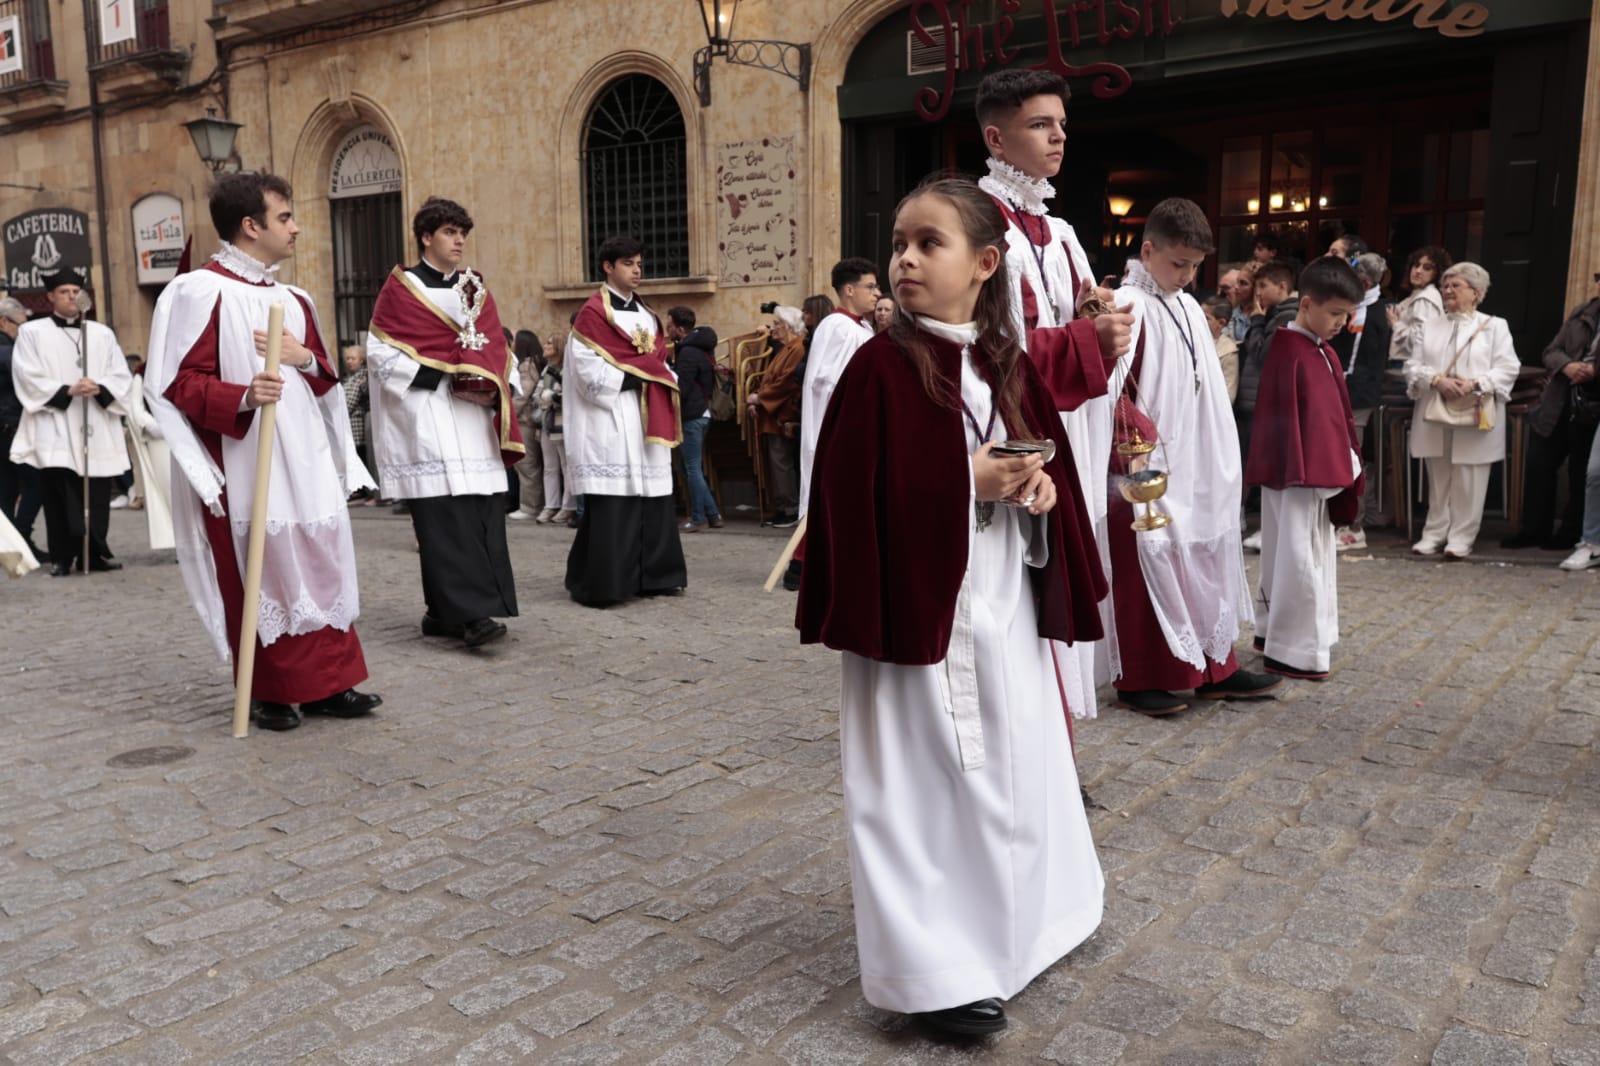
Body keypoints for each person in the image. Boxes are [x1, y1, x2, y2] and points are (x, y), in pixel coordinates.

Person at [799, 175, 1104, 1038]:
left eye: (927, 243)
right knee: (916, 784)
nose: (903, 259)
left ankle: (1029, 925)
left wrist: (1037, 491)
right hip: (914, 609)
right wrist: (962, 479)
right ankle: (933, 972)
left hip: (998, 597)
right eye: (898, 243)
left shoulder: (1003, 364)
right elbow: (847, 499)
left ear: (984, 263)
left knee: (1010, 764)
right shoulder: (879, 368)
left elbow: (1050, 479)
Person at [145, 171, 380, 732]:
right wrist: (244, 394)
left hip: (303, 455)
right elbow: (177, 383)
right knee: (262, 569)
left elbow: (324, 379)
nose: (296, 228)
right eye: (284, 217)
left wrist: (304, 359)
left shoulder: (294, 299)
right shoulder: (199, 292)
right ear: (250, 227)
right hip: (246, 457)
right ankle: (268, 689)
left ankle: (330, 682)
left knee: (318, 559)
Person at [974, 66, 1137, 724]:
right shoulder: (974, 222)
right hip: (1010, 430)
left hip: (1078, 430)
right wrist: (1086, 340)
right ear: (997, 138)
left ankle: (1056, 745)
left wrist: (1107, 324)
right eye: (1040, 125)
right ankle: (1017, 739)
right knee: (1015, 586)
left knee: (1061, 579)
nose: (1058, 137)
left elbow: (1077, 322)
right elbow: (983, 346)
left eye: (1062, 126)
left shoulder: (1062, 232)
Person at [1108, 199, 1282, 715]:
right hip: (1148, 460)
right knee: (1150, 556)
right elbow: (1108, 386)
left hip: (1198, 452)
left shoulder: (1185, 303)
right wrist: (1129, 438)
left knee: (1202, 556)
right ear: (1147, 250)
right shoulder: (1125, 303)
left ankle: (1213, 667)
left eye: (1194, 266)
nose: (1186, 275)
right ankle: (1141, 676)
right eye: (1177, 263)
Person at [368, 197, 524, 647]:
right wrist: (438, 373)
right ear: (426, 237)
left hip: (474, 420)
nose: (459, 241)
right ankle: (470, 617)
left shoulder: (475, 288)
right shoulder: (401, 289)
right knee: (443, 521)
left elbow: (498, 345)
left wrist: (495, 382)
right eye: (450, 233)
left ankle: (442, 613)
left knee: (480, 515)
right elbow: (380, 354)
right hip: (430, 416)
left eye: (462, 234)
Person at [1246, 258, 1365, 681]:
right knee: (1298, 557)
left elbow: (1334, 416)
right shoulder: (1290, 349)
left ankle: (1277, 635)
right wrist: (1326, 466)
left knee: (1298, 553)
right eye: (1335, 313)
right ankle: (1294, 648)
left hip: (1309, 472)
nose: (1342, 322)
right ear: (1308, 303)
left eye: (1347, 315)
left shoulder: (1318, 348)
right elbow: (1299, 421)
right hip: (1297, 474)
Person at [564, 235, 687, 605]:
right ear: (608, 266)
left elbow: (662, 365)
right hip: (612, 418)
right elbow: (587, 372)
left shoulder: (647, 315)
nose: (637, 270)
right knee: (615, 504)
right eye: (628, 263)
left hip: (647, 417)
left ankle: (656, 576)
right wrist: (638, 376)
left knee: (653, 498)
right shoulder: (593, 315)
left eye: (639, 264)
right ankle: (603, 583)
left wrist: (658, 377)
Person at [10, 269, 133, 576]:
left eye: (75, 291)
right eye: (63, 292)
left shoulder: (101, 333)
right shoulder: (32, 333)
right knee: (59, 493)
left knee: (98, 492)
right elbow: (26, 374)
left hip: (96, 422)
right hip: (58, 423)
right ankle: (63, 556)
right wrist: (67, 390)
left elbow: (120, 374)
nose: (70, 297)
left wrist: (100, 387)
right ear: (50, 296)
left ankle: (95, 553)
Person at [1403, 262, 1520, 559]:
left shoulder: (1495, 326)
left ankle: (1461, 537)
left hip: (1475, 408)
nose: (1448, 290)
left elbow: (1508, 367)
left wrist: (1475, 383)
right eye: (1446, 285)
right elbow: (1411, 366)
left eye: (1456, 285)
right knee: (1438, 475)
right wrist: (1437, 380)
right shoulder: (1429, 327)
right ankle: (1433, 532)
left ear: (1476, 292)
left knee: (1471, 476)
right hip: (1436, 408)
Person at [1502, 275, 1600, 551]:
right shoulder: (1582, 313)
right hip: (1559, 401)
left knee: (1582, 472)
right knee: (1538, 465)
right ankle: (1534, 530)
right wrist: (1568, 366)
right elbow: (1551, 351)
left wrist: (1594, 371)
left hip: (1592, 407)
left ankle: (1571, 532)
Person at [798, 258, 879, 529]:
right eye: (870, 286)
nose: (877, 293)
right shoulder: (838, 328)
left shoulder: (861, 327)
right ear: (849, 290)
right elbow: (829, 385)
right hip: (840, 432)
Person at [1329, 252, 1392, 550]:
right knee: (1334, 456)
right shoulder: (1347, 307)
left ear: (1364, 282)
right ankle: (1336, 520)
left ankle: (1353, 524)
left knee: (1352, 458)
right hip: (1335, 388)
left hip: (1361, 394)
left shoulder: (1380, 312)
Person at [1236, 258, 1299, 549]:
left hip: (1269, 400)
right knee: (1255, 463)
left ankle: (1269, 529)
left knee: (1271, 466)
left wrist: (1257, 320)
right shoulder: (1276, 313)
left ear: (1283, 286)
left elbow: (1263, 353)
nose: (1258, 292)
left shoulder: (1286, 316)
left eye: (1263, 286)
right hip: (1255, 398)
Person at [746, 306, 806, 525]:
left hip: (783, 413)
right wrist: (759, 400)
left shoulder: (797, 347)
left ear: (789, 326)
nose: (773, 329)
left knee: (782, 463)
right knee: (777, 463)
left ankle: (789, 509)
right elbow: (771, 380)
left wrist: (760, 400)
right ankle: (782, 506)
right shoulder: (786, 348)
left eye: (777, 324)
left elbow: (786, 382)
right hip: (773, 412)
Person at [666, 306, 720, 532]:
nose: (666, 330)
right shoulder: (699, 348)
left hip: (692, 415)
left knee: (691, 468)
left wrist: (668, 374)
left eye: (669, 326)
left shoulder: (688, 352)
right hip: (701, 413)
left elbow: (683, 387)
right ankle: (713, 514)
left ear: (679, 329)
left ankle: (698, 518)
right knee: (690, 467)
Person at [0, 296, 43, 560]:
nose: (23, 332)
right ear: (4, 322)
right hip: (15, 425)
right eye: (21, 326)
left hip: (5, 426)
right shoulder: (11, 352)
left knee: (6, 490)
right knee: (35, 485)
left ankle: (9, 545)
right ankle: (20, 539)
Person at [122, 351, 174, 550]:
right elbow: (135, 408)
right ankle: (177, 539)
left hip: (186, 437)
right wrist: (155, 426)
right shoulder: (141, 375)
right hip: (159, 439)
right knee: (167, 489)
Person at [534, 335, 576, 525]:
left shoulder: (566, 369)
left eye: (550, 343)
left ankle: (568, 507)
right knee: (550, 467)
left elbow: (565, 395)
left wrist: (550, 397)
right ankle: (550, 505)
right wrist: (546, 397)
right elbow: (537, 394)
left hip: (561, 423)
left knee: (566, 466)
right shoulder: (545, 369)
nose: (545, 345)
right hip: (546, 423)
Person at [1386, 246, 1451, 366]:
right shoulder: (1419, 294)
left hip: (1408, 364)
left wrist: (1396, 324)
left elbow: (1420, 340)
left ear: (1437, 273)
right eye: (1416, 265)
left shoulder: (1426, 298)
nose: (1418, 271)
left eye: (1427, 268)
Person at [508, 330, 545, 522]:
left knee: (527, 464)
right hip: (526, 420)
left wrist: (508, 414)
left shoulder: (526, 365)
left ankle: (530, 506)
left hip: (524, 421)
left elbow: (522, 394)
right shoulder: (531, 363)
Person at [1203, 295, 1239, 403]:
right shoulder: (1193, 339)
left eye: (1206, 318)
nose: (1199, 321)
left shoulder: (1228, 351)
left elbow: (1229, 394)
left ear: (1221, 322)